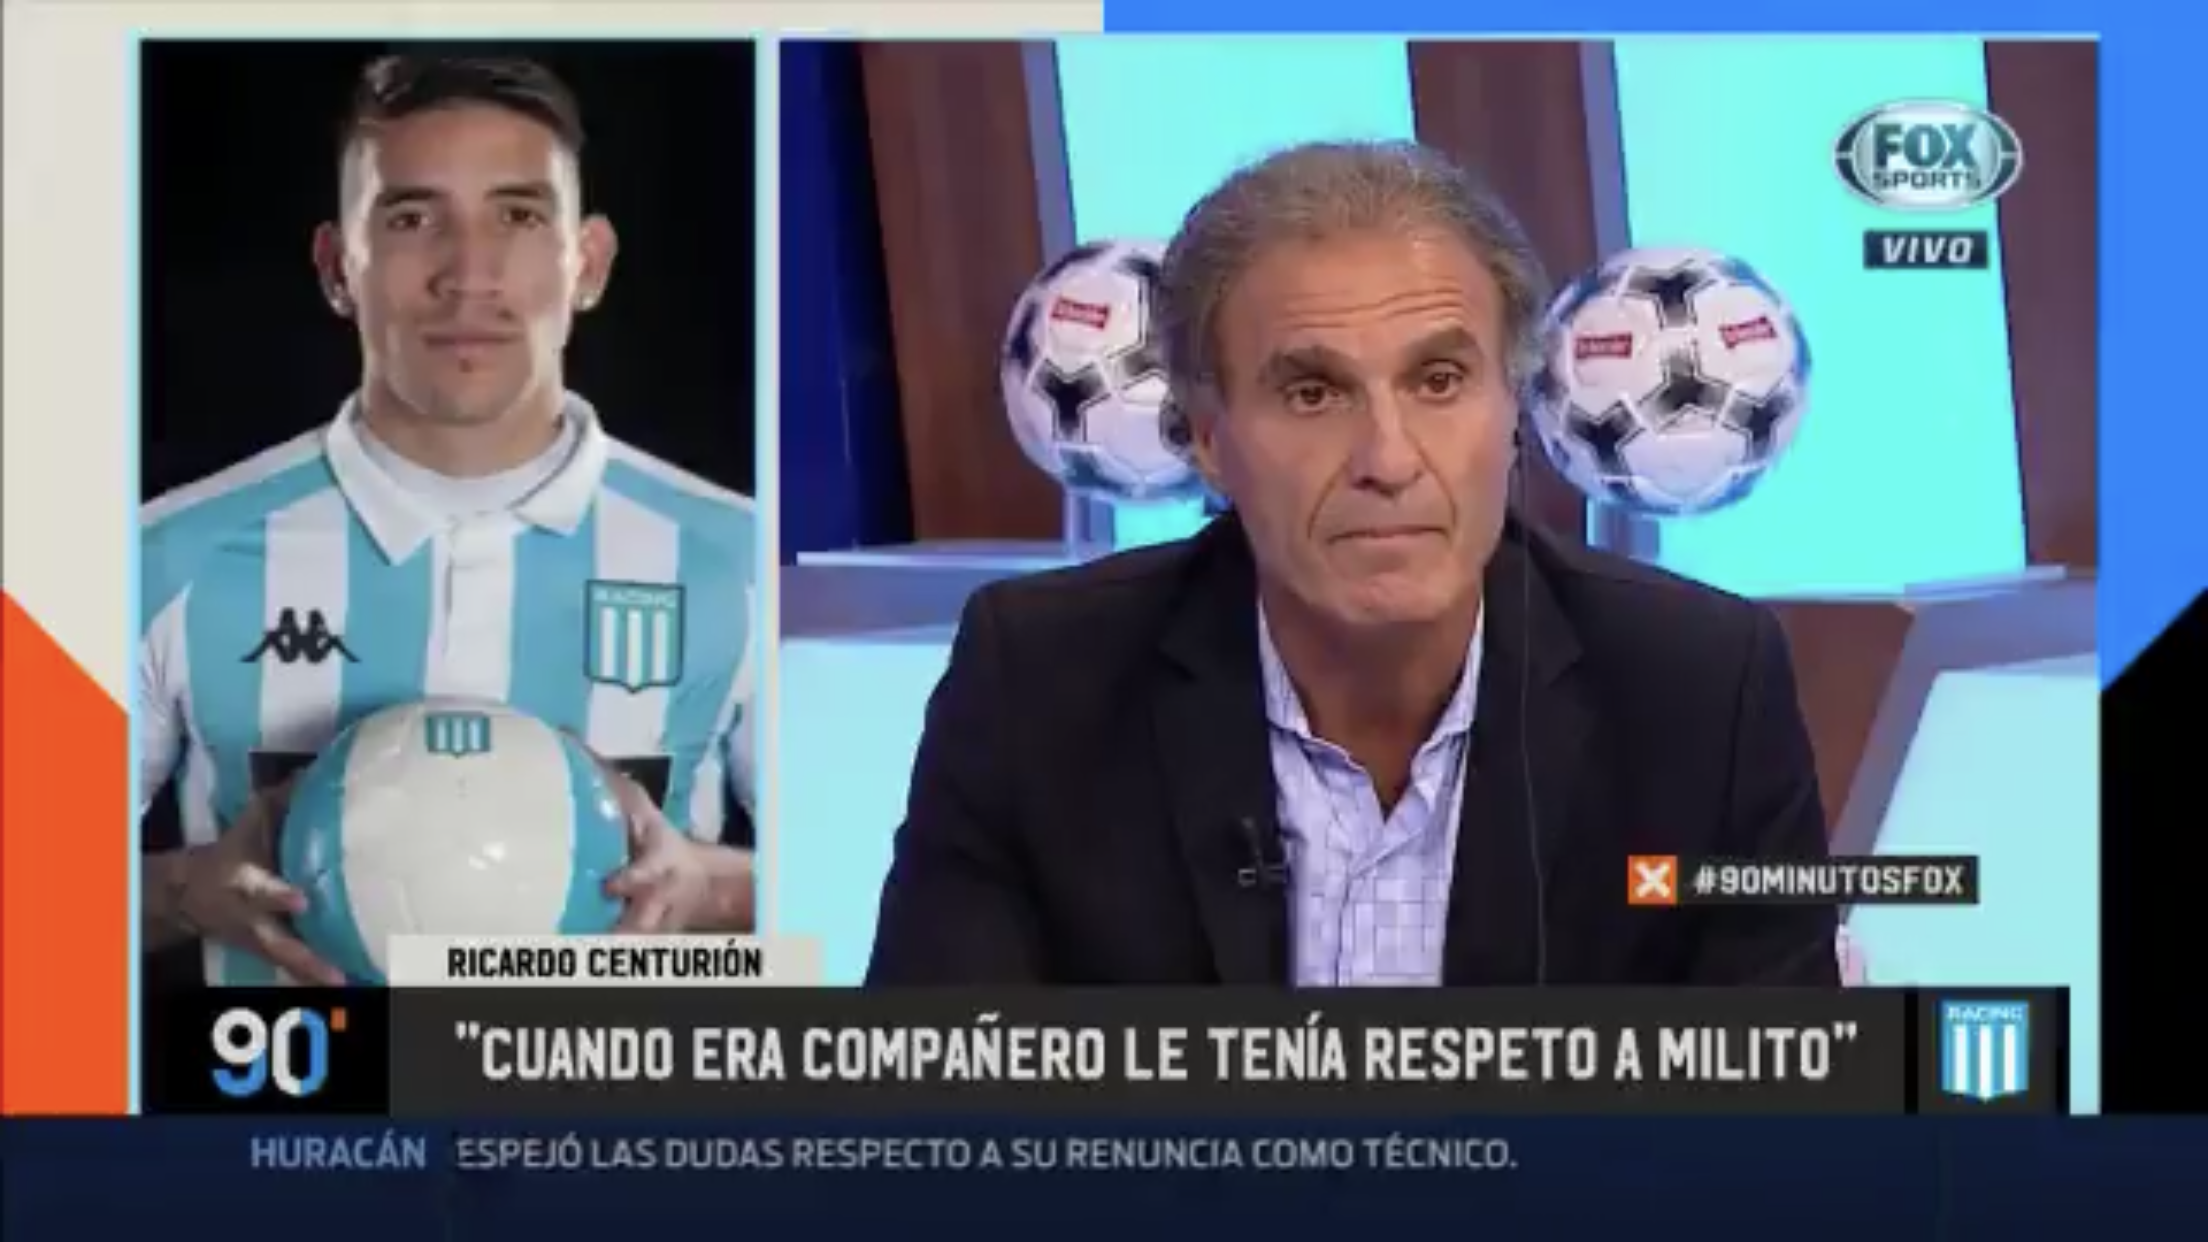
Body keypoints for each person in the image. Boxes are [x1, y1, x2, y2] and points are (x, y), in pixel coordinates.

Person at [867, 140, 1837, 987]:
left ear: (1515, 412)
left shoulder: (1699, 691)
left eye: (1439, 380)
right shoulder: (1041, 683)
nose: (1388, 459)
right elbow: (941, 1099)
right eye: (1313, 393)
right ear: (1207, 437)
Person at [139, 54, 758, 987]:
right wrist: (189, 890)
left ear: (588, 262)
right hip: (286, 1088)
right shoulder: (153, 559)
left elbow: (878, 882)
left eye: (518, 215)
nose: (469, 275)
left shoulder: (742, 559)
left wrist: (711, 889)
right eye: (411, 218)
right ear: (336, 268)